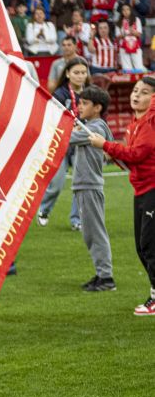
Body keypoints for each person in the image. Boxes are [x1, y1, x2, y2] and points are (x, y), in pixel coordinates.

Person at [88, 77, 155, 316]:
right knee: (142, 247)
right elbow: (132, 159)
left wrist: (106, 146)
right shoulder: (135, 122)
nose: (136, 95)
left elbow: (138, 153)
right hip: (142, 190)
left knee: (149, 246)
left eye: (144, 92)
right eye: (135, 90)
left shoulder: (150, 122)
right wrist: (114, 154)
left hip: (152, 189)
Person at [69, 85, 115, 292]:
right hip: (85, 185)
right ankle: (101, 273)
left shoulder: (94, 128)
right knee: (90, 233)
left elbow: (67, 138)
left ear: (97, 108)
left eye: (85, 103)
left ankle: (106, 278)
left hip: (89, 185)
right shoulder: (92, 126)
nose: (80, 106)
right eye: (79, 102)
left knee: (95, 233)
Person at [38, 58, 89, 229]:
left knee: (81, 184)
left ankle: (77, 220)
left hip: (82, 144)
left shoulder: (91, 93)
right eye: (76, 72)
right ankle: (44, 209)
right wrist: (69, 128)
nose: (80, 76)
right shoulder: (60, 94)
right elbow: (52, 118)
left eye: (83, 72)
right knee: (56, 184)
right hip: (61, 143)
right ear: (67, 74)